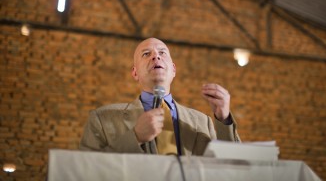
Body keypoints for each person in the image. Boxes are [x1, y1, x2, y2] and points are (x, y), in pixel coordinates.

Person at [79, 38, 240, 156]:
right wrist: (134, 137)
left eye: (162, 53)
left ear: (174, 69)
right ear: (135, 73)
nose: (156, 56)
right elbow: (85, 170)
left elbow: (229, 168)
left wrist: (224, 119)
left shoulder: (203, 122)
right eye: (146, 54)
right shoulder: (101, 119)